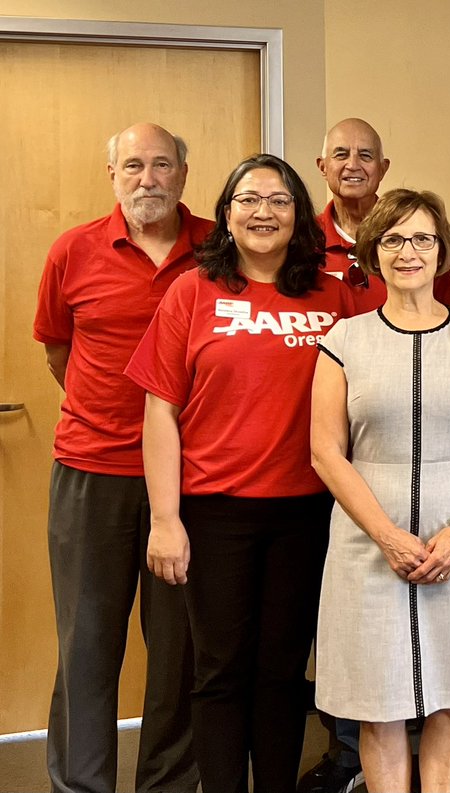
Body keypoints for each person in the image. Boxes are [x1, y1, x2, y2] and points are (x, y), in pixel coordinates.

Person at [125, 153, 355, 793]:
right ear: (226, 214)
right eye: (248, 199)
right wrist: (166, 519)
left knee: (282, 673)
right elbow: (160, 411)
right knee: (220, 671)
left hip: (307, 512)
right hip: (213, 511)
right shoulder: (192, 291)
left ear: (299, 215)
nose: (263, 212)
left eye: (279, 200)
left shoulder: (332, 295)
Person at [310, 188, 450, 793]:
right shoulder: (344, 341)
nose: (409, 252)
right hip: (368, 543)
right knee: (379, 704)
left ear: (441, 251)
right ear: (374, 252)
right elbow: (326, 450)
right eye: (394, 239)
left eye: (422, 239)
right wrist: (387, 537)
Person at [33, 122, 207, 793]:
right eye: (133, 165)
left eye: (162, 165)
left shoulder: (217, 250)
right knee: (86, 645)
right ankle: (81, 785)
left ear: (183, 174)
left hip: (191, 480)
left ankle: (169, 784)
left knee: (179, 652)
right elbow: (58, 351)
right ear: (112, 174)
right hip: (90, 474)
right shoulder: (72, 251)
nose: (148, 179)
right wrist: (107, 415)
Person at [316, 117, 450, 313]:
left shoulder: (419, 235)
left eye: (365, 156)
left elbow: (448, 318)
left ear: (383, 168)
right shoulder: (303, 239)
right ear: (323, 167)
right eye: (341, 155)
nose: (353, 165)